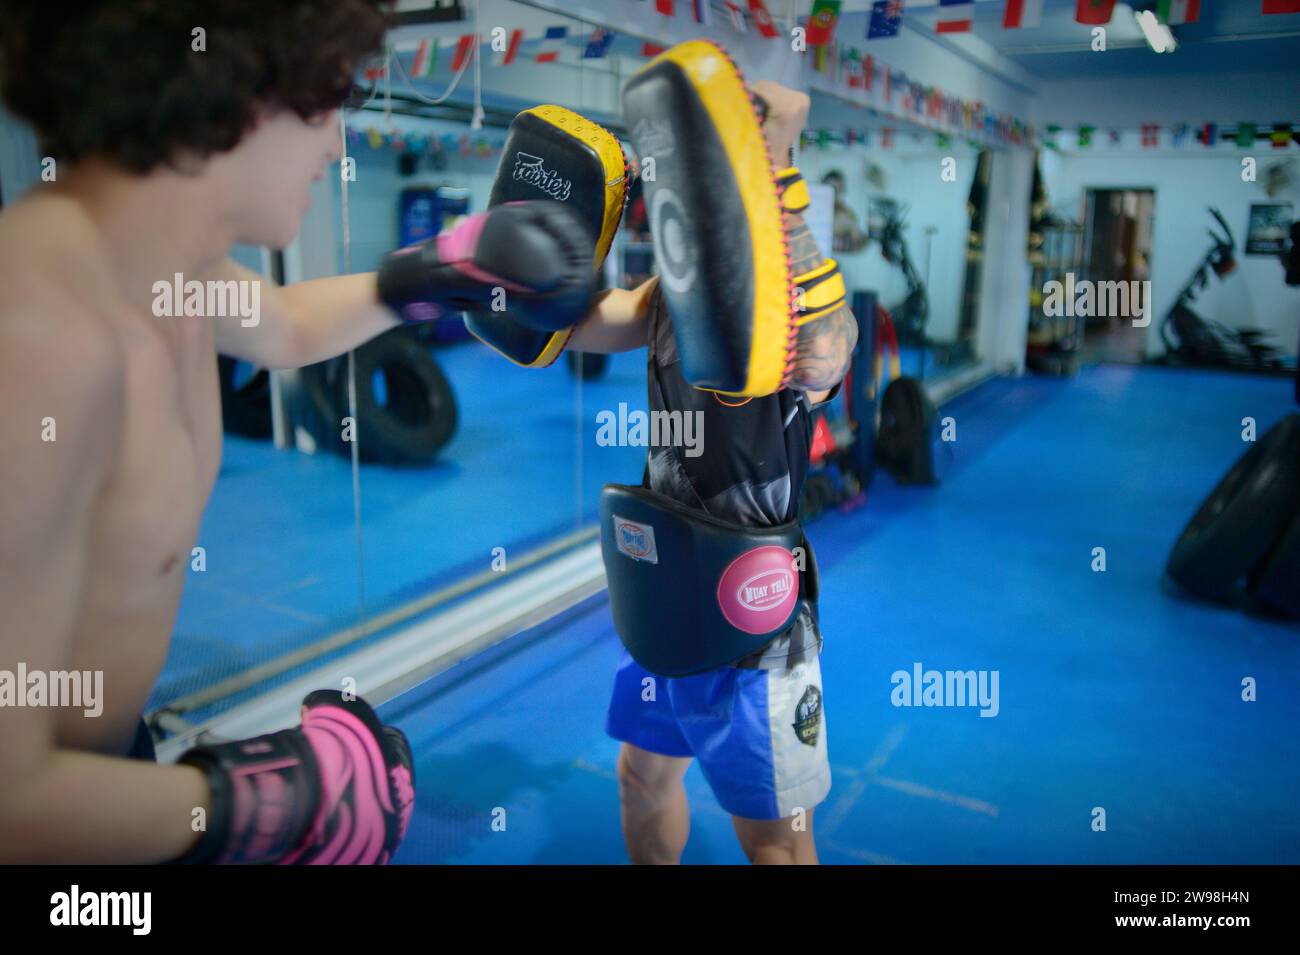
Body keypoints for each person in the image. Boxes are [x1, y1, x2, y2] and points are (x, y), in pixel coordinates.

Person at [0, 0, 593, 862]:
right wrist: (280, 795)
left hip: (116, 776)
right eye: (329, 99)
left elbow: (282, 324)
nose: (334, 145)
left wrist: (437, 271)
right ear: (243, 89)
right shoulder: (42, 335)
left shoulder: (167, 267)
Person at [571, 80, 857, 864]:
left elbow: (828, 350)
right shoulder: (668, 292)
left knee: (772, 840)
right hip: (665, 597)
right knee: (640, 776)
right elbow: (583, 327)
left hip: (753, 624)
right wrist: (512, 276)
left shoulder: (799, 305)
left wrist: (781, 162)